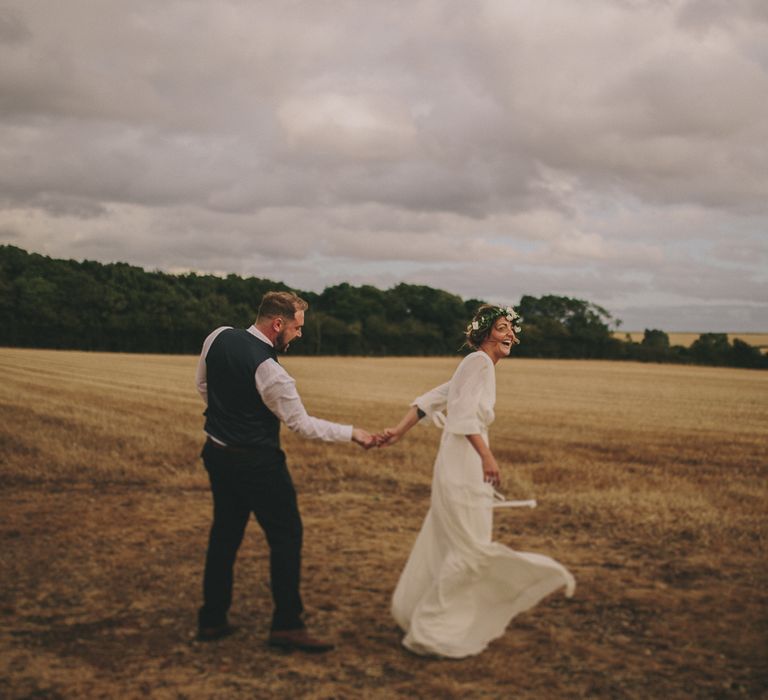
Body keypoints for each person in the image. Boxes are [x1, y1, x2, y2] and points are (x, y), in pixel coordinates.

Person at [379, 304, 575, 658]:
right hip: (464, 462)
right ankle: (432, 629)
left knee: (450, 537)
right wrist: (487, 456)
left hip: (455, 459)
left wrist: (397, 431)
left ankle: (417, 611)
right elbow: (463, 417)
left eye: (511, 329)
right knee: (468, 543)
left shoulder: (474, 366)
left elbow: (432, 400)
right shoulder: (479, 363)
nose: (510, 335)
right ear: (485, 333)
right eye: (502, 328)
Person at [195, 290, 375, 652]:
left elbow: (203, 386)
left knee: (225, 536)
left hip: (216, 453)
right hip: (258, 465)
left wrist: (228, 419)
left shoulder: (218, 336)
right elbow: (301, 425)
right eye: (296, 327)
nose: (299, 334)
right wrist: (353, 433)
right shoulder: (272, 372)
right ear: (278, 324)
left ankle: (212, 619)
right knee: (286, 537)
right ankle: (287, 625)